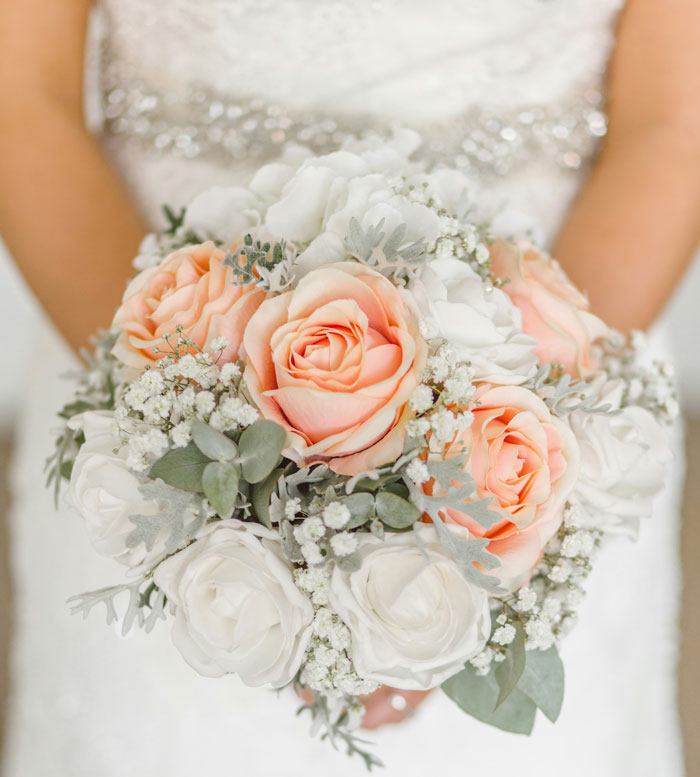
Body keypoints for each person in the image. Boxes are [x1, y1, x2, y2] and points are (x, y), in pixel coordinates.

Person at [0, 1, 697, 774]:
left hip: (559, 352)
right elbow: (22, 95)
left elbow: (671, 127)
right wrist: (195, 459)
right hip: (133, 340)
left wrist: (502, 482)